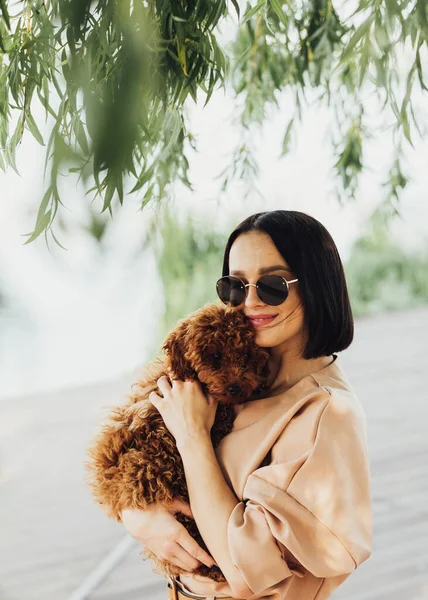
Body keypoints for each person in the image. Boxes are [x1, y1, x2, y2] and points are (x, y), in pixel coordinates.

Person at [120, 210, 372, 600]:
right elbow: (131, 450)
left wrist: (192, 437)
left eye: (273, 285)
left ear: (317, 286)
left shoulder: (325, 415)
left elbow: (242, 573)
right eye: (235, 286)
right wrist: (137, 514)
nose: (250, 301)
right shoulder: (234, 379)